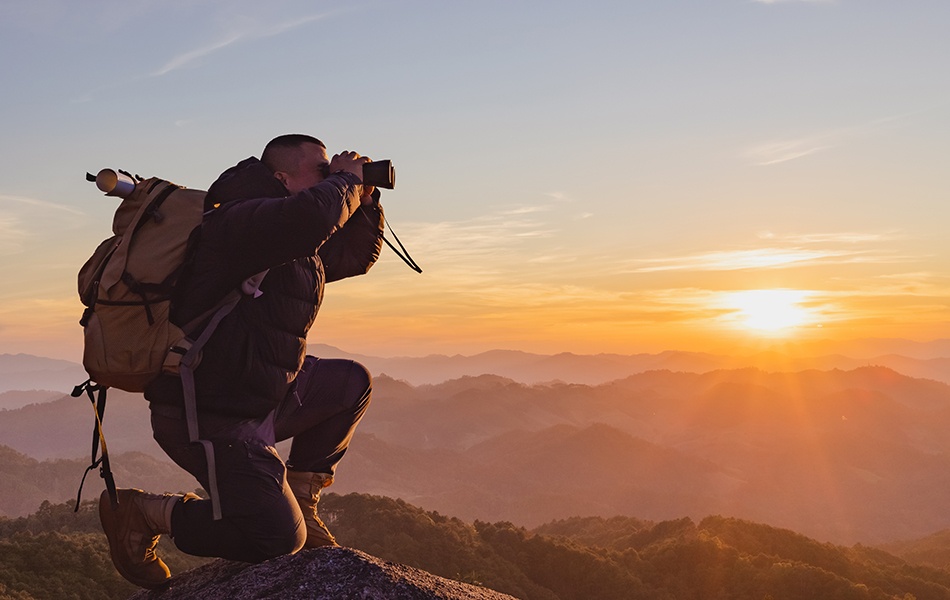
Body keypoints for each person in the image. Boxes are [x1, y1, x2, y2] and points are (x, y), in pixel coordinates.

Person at [97, 134, 385, 589]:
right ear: (282, 177)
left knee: (351, 382)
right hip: (210, 414)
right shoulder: (238, 220)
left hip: (262, 393)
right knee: (275, 539)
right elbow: (311, 217)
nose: (329, 178)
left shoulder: (284, 231)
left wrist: (364, 200)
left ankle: (305, 502)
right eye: (322, 170)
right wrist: (345, 184)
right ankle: (144, 513)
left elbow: (351, 256)